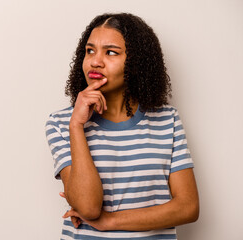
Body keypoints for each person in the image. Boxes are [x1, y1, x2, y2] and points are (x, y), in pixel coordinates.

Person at [45, 12, 199, 239]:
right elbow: (88, 207)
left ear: (136, 63)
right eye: (90, 50)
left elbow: (188, 207)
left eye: (110, 52)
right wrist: (77, 125)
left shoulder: (168, 120)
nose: (95, 61)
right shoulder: (61, 123)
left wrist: (109, 221)